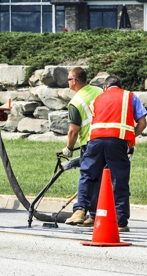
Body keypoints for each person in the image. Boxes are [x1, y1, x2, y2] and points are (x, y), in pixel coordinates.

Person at [65, 75, 147, 232]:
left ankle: (79, 210)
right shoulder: (129, 96)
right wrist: (129, 137)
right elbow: (142, 123)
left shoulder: (97, 99)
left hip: (95, 141)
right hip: (117, 143)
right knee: (119, 179)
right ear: (120, 86)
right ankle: (120, 220)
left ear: (105, 87)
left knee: (88, 176)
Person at [61, 66, 102, 226]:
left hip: (90, 142)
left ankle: (79, 212)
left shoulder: (75, 103)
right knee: (99, 179)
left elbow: (73, 131)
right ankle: (93, 214)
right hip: (106, 139)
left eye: (69, 79)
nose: (68, 82)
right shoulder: (99, 91)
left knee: (87, 176)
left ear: (75, 81)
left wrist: (69, 148)